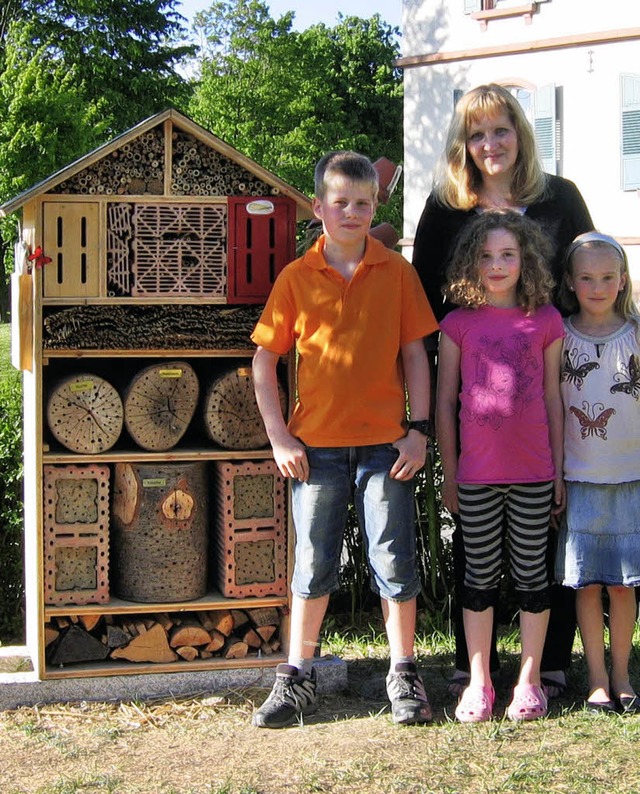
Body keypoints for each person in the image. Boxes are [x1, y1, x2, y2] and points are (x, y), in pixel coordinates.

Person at [412, 83, 594, 698]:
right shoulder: (446, 208)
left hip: (553, 374)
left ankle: (547, 666)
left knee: (547, 531)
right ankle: (475, 667)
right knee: (478, 537)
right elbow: (423, 301)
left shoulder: (559, 199)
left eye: (501, 130)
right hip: (475, 385)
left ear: (521, 133)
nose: (490, 144)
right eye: (477, 134)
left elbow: (586, 276)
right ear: (463, 145)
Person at [250, 151, 439, 728]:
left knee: (394, 562)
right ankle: (297, 678)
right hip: (315, 452)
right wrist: (280, 437)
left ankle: (403, 673)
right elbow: (264, 362)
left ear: (376, 204)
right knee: (311, 565)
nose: (352, 212)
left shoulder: (398, 273)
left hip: (387, 450)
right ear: (319, 207)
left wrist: (419, 432)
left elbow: (416, 355)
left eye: (363, 203)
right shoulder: (296, 277)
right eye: (340, 202)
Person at [436, 210, 565, 722]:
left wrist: (557, 472)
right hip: (477, 477)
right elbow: (446, 403)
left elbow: (554, 398)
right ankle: (481, 682)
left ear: (525, 258)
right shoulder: (457, 324)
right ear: (472, 261)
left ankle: (529, 681)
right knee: (479, 578)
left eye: (508, 254)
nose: (497, 264)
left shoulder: (547, 320)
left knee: (534, 577)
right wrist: (449, 472)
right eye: (486, 256)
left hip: (534, 473)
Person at [554, 232, 640, 714]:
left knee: (624, 583)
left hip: (631, 476)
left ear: (622, 279)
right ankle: (597, 678)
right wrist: (556, 476)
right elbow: (552, 406)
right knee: (586, 582)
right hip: (580, 477)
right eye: (586, 277)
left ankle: (624, 674)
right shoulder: (560, 335)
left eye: (608, 277)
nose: (598, 286)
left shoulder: (637, 333)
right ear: (570, 281)